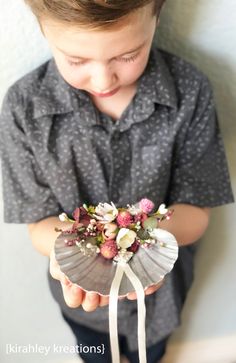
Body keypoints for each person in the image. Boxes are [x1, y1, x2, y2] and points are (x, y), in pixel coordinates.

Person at [0, 0, 234, 362]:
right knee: (95, 355)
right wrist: (71, 253)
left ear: (156, 17)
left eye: (127, 55)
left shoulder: (190, 92)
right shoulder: (23, 108)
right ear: (43, 29)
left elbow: (198, 209)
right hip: (82, 305)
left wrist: (149, 241)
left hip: (160, 298)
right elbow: (38, 221)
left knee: (152, 352)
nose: (103, 79)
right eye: (77, 61)